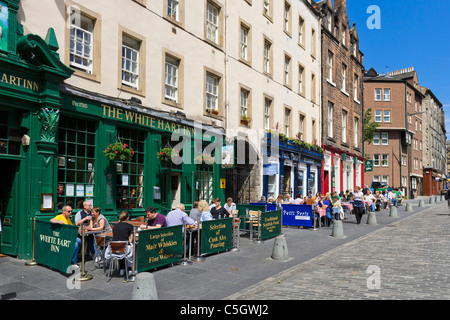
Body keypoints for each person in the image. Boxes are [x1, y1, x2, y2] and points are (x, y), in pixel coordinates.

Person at [104, 211, 134, 276]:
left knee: (120, 248)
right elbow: (131, 238)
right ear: (127, 218)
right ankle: (129, 269)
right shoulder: (130, 226)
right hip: (124, 247)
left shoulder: (115, 226)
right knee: (130, 248)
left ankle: (122, 269)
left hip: (113, 248)